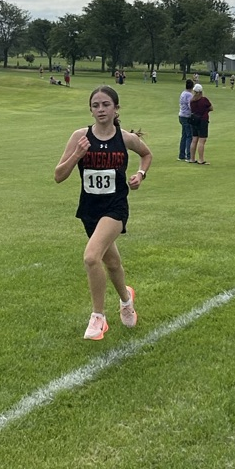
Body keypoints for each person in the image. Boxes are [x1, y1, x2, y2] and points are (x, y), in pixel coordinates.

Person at [55, 85, 152, 340]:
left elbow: (146, 154)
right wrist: (77, 154)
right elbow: (58, 176)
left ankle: (98, 318)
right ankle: (126, 300)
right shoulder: (80, 137)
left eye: (106, 104)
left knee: (91, 257)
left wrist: (140, 175)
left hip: (115, 208)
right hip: (90, 210)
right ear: (90, 109)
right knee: (112, 262)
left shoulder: (125, 138)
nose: (100, 109)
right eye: (96, 105)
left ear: (116, 109)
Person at [188, 83, 213, 165]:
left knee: (194, 139)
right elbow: (211, 108)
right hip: (203, 120)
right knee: (202, 140)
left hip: (194, 120)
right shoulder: (204, 100)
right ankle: (201, 159)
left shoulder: (192, 101)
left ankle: (192, 158)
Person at [178, 79, 194, 161]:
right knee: (189, 136)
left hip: (181, 115)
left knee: (184, 135)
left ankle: (181, 155)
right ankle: (189, 155)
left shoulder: (183, 93)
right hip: (187, 116)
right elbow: (190, 105)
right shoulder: (189, 95)